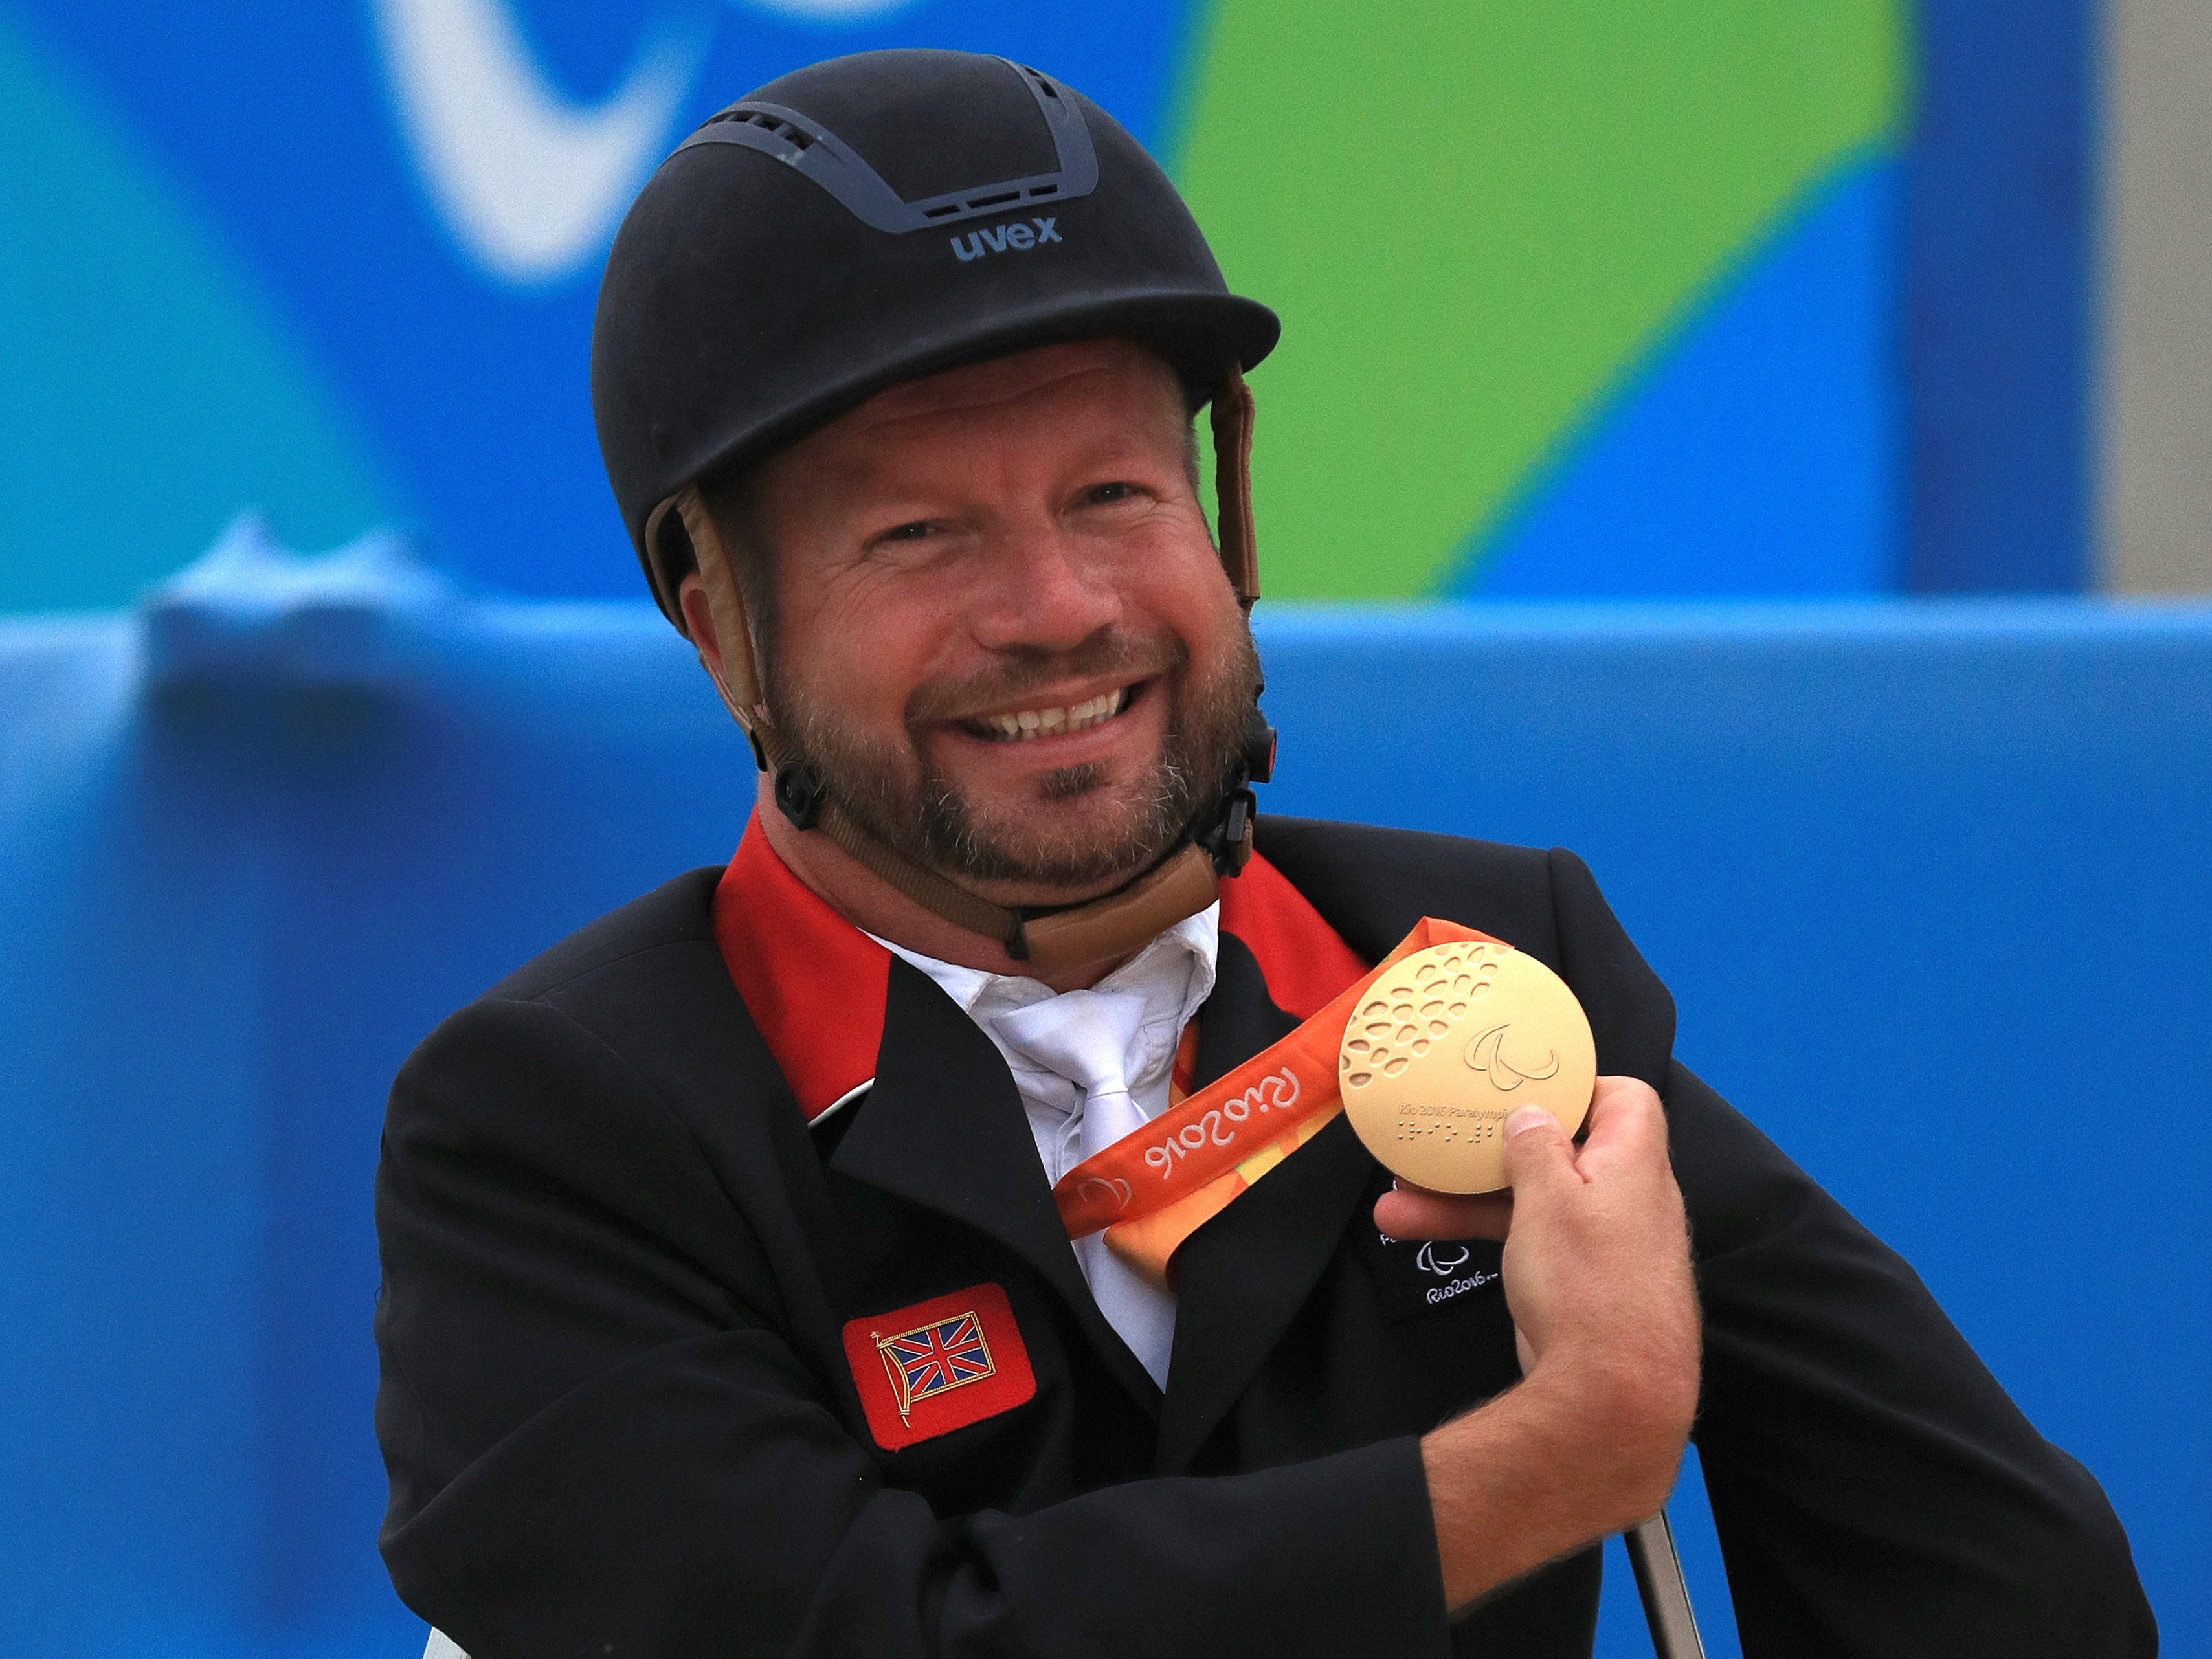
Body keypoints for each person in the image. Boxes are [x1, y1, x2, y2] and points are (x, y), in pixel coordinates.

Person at [373, 48, 2155, 1659]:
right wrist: (1547, 1463)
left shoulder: (1476, 972)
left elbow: (2012, 1588)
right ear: (717, 619)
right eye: (919, 533)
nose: (1058, 610)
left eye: (1111, 495)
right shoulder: (561, 1126)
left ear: (1221, 513)